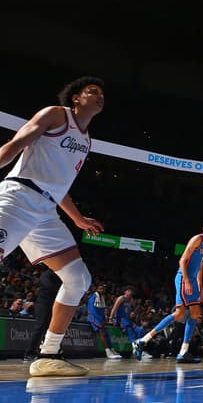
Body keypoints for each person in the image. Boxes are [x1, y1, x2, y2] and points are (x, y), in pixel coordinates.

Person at [0, 76, 105, 377]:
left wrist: (77, 219)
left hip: (45, 210)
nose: (99, 97)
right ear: (75, 98)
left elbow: (61, 186)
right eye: (92, 92)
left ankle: (48, 355)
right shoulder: (56, 115)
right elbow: (16, 144)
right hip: (18, 196)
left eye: (102, 94)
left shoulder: (86, 140)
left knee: (77, 278)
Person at [134, 218, 203, 363]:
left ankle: (183, 352)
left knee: (195, 313)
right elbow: (182, 260)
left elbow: (200, 267)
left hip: (192, 280)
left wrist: (200, 286)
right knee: (179, 314)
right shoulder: (197, 239)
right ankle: (142, 340)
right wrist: (186, 280)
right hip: (182, 277)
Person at [24, 269, 62, 362]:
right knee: (40, 327)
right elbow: (49, 287)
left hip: (54, 304)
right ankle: (29, 353)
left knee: (52, 329)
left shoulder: (61, 276)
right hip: (43, 304)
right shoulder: (46, 274)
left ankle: (51, 352)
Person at [87, 284, 122, 359]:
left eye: (103, 289)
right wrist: (97, 321)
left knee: (107, 334)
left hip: (100, 319)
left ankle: (112, 350)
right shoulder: (92, 297)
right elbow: (92, 310)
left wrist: (104, 319)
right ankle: (108, 352)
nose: (102, 290)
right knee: (102, 334)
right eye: (100, 288)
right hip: (94, 319)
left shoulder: (102, 298)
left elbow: (102, 310)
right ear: (97, 289)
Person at [110, 286, 138, 352]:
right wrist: (111, 318)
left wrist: (133, 313)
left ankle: (141, 348)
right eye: (129, 290)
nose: (130, 292)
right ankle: (135, 349)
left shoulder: (131, 300)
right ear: (125, 291)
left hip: (128, 319)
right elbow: (114, 308)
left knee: (139, 330)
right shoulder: (121, 298)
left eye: (131, 291)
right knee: (129, 330)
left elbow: (132, 310)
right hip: (120, 319)